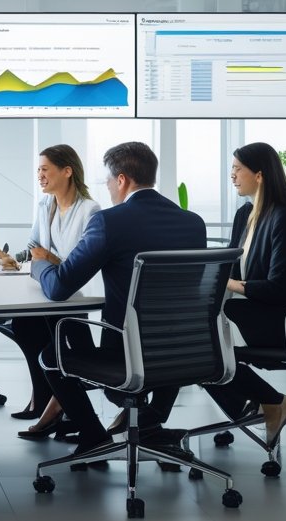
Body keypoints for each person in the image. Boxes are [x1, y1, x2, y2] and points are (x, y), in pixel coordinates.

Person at [32, 141, 207, 457]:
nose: (109, 188)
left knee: (51, 355)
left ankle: (94, 435)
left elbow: (59, 287)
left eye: (109, 181)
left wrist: (39, 263)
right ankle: (149, 426)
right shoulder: (193, 223)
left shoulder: (109, 221)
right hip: (184, 352)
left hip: (128, 356)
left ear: (122, 179)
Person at [202, 142, 286, 447]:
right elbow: (231, 267)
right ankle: (259, 409)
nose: (232, 176)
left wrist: (229, 285)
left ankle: (270, 403)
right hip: (249, 311)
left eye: (237, 169)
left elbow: (279, 288)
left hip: (279, 319)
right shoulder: (245, 214)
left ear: (259, 175)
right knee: (197, 346)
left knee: (203, 349)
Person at [0, 145, 101, 438]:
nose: (39, 175)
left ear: (67, 171)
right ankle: (48, 400)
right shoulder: (45, 205)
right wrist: (14, 258)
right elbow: (34, 247)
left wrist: (48, 258)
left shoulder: (90, 210)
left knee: (60, 342)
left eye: (45, 169)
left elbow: (81, 260)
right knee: (25, 325)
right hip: (47, 284)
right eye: (38, 170)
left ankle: (58, 405)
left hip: (74, 291)